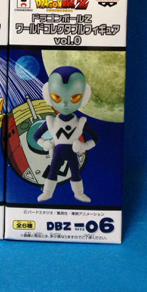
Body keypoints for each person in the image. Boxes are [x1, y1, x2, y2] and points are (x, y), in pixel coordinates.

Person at [33, 66, 100, 202]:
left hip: (72, 152)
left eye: (74, 98)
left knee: (76, 173)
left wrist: (84, 146)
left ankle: (79, 193)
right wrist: (44, 143)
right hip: (57, 152)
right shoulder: (51, 121)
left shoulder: (80, 123)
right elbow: (36, 136)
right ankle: (48, 192)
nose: (64, 103)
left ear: (84, 96)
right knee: (53, 172)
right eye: (56, 97)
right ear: (48, 95)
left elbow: (96, 138)